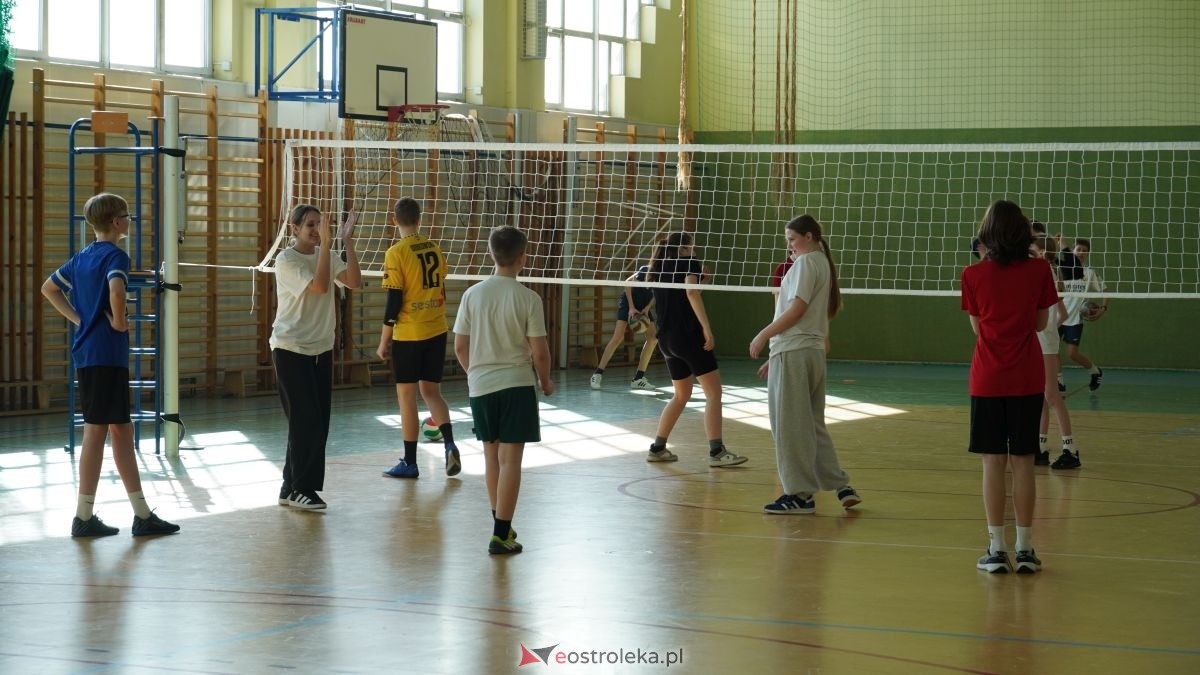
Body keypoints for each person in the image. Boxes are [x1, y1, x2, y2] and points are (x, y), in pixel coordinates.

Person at [41, 192, 180, 536]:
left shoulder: (82, 256)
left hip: (90, 353)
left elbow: (49, 288)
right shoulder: (116, 255)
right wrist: (118, 321)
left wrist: (81, 320)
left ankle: (140, 514)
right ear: (117, 222)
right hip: (105, 354)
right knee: (97, 431)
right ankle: (84, 517)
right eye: (127, 216)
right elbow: (116, 290)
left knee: (120, 429)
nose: (129, 221)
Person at [960, 200, 1058, 574]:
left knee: (992, 463)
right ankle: (1026, 549)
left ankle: (997, 549)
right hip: (1027, 376)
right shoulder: (1040, 270)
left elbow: (977, 328)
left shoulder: (972, 275)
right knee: (1024, 462)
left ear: (986, 235)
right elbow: (1039, 324)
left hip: (987, 377)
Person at [453, 226, 555, 555]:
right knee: (510, 461)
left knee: (491, 458)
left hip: (481, 387)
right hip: (516, 386)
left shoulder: (472, 295)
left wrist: (477, 375)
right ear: (522, 258)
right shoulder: (528, 298)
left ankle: (501, 524)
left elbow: (460, 347)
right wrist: (546, 381)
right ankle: (500, 534)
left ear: (491, 254)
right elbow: (540, 352)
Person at [749, 215, 860, 514]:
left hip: (795, 351)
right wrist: (776, 355)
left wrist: (763, 335)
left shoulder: (806, 263)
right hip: (810, 352)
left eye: (792, 239)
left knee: (789, 426)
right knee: (811, 423)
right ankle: (840, 484)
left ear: (809, 236)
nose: (790, 246)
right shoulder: (822, 262)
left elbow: (796, 310)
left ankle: (799, 495)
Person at [270, 204, 361, 509]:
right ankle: (302, 489)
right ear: (295, 229)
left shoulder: (328, 255)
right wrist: (329, 247)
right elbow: (321, 286)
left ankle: (289, 487)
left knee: (315, 422)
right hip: (291, 349)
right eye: (310, 224)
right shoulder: (286, 260)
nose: (317, 230)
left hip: (321, 349)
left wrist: (346, 241)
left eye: (320, 224)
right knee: (305, 421)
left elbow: (353, 281)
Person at [644, 232, 746, 467]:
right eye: (692, 246)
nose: (695, 250)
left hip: (667, 339)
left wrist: (703, 283)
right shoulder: (689, 262)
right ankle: (717, 452)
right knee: (714, 393)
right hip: (688, 336)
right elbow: (690, 293)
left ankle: (657, 448)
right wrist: (706, 328)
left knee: (681, 395)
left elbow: (685, 295)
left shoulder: (658, 266)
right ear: (685, 247)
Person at [377, 197, 461, 479]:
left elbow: (394, 301)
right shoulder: (434, 248)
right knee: (432, 392)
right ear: (419, 219)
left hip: (410, 333)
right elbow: (440, 288)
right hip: (436, 329)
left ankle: (410, 462)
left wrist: (384, 340)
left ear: (394, 220)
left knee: (407, 397)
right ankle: (450, 445)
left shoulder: (396, 252)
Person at [1031, 235, 1082, 470]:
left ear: (1042, 252)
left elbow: (1057, 314)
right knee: (1043, 397)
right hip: (1045, 340)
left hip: (1044, 343)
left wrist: (1047, 331)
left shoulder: (1043, 273)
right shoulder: (1049, 273)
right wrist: (1051, 329)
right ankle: (1040, 448)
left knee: (1052, 396)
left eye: (1032, 249)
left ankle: (1070, 450)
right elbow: (1062, 314)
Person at [590, 265, 658, 391]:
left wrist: (647, 308)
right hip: (629, 302)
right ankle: (597, 374)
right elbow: (627, 283)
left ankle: (638, 379)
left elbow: (655, 294)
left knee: (653, 338)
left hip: (644, 305)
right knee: (618, 337)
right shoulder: (646, 270)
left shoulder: (665, 275)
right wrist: (631, 307)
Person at [1057, 238, 1108, 393]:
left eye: (1085, 251)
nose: (1081, 253)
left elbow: (1106, 290)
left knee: (1072, 354)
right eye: (1078, 249)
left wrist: (1103, 308)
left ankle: (1095, 371)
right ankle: (1059, 382)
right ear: (1072, 251)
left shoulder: (1089, 273)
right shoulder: (1062, 268)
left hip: (1074, 319)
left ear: (1088, 254)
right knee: (1052, 351)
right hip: (1057, 316)